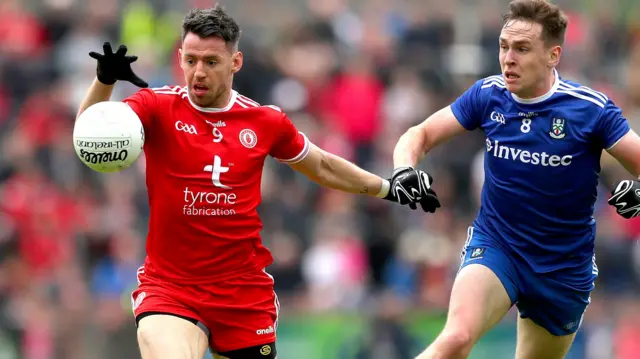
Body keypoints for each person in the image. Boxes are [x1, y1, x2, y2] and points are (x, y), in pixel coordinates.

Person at [76, 5, 440, 359]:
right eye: (191, 61)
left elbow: (323, 167)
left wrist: (387, 187)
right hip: (171, 288)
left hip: (242, 294)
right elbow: (88, 134)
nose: (198, 72)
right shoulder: (156, 106)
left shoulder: (265, 121)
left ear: (235, 63)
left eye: (211, 62)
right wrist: (104, 80)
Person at [390, 0, 640, 358]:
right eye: (504, 46)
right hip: (498, 246)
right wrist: (404, 167)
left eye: (522, 49)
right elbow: (420, 135)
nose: (508, 58)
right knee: (457, 337)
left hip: (563, 267)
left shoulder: (590, 110)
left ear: (553, 55)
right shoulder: (488, 95)